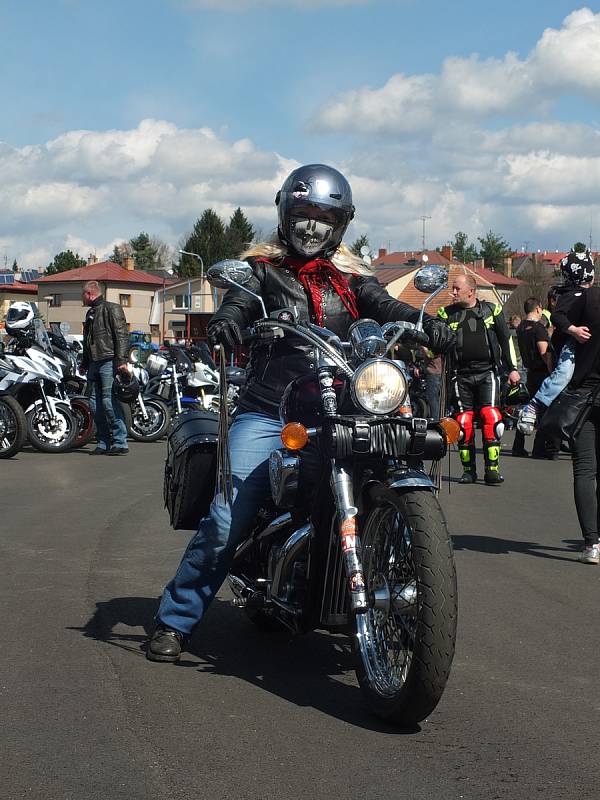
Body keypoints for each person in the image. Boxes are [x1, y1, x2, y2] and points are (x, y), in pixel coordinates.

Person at [145, 163, 455, 662]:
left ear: (341, 225)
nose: (312, 226)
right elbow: (238, 304)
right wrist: (227, 322)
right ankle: (175, 620)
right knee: (228, 517)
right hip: (272, 409)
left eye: (324, 217)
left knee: (399, 457)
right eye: (303, 214)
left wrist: (425, 322)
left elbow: (385, 306)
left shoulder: (353, 279)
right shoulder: (260, 272)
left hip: (346, 406)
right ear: (285, 215)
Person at [438, 273, 520, 485]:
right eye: (452, 288)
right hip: (460, 375)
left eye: (457, 288)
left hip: (488, 373)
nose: (453, 292)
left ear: (471, 291)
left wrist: (512, 369)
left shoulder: (493, 310)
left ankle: (492, 470)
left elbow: (505, 339)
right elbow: (433, 342)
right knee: (464, 422)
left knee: (491, 417)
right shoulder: (445, 314)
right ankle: (468, 471)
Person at [518, 248, 595, 439]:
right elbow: (557, 317)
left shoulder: (584, 294)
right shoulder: (573, 295)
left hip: (583, 345)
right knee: (564, 374)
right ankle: (534, 404)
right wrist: (574, 331)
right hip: (570, 343)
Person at [81, 280, 130, 455]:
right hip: (94, 363)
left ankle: (120, 442)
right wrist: (84, 363)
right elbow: (87, 340)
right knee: (94, 405)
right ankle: (103, 442)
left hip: (109, 361)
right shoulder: (90, 313)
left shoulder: (111, 308)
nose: (82, 297)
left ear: (90, 294)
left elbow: (122, 335)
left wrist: (122, 360)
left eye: (83, 294)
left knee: (109, 402)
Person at [512, 297, 553, 458]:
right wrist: (551, 371)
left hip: (529, 371)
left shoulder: (521, 327)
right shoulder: (538, 328)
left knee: (526, 410)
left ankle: (518, 446)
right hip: (541, 372)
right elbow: (544, 352)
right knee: (543, 410)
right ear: (538, 309)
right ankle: (539, 448)